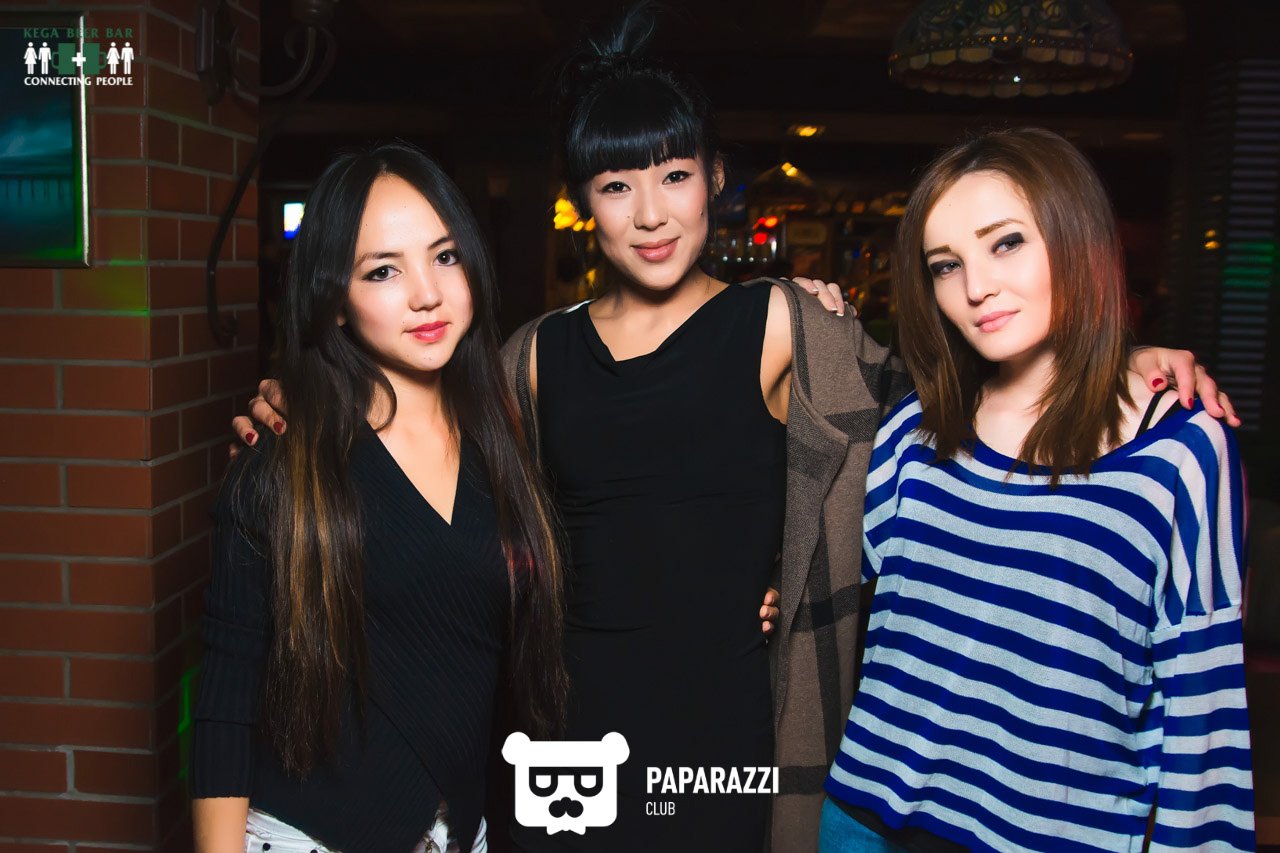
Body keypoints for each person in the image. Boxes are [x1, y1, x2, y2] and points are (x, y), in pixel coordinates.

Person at [232, 10, 1235, 851]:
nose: (650, 213)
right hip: (564, 717)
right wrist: (307, 403)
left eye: (673, 175)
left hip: (721, 721)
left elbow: (949, 406)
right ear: (583, 204)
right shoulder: (534, 354)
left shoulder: (783, 323)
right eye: (616, 186)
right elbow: (417, 440)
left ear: (715, 178)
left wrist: (1126, 357)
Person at [820, 128, 1254, 852]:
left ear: (1076, 237)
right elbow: (808, 588)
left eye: (1007, 242)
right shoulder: (913, 432)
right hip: (866, 820)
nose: (975, 287)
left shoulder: (1180, 449)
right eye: (946, 264)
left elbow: (1204, 707)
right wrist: (793, 311)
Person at [192, 142, 567, 853]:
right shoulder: (285, 460)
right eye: (383, 270)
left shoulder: (506, 440)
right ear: (334, 300)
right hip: (310, 836)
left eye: (444, 256)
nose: (426, 293)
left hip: (464, 831)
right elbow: (226, 698)